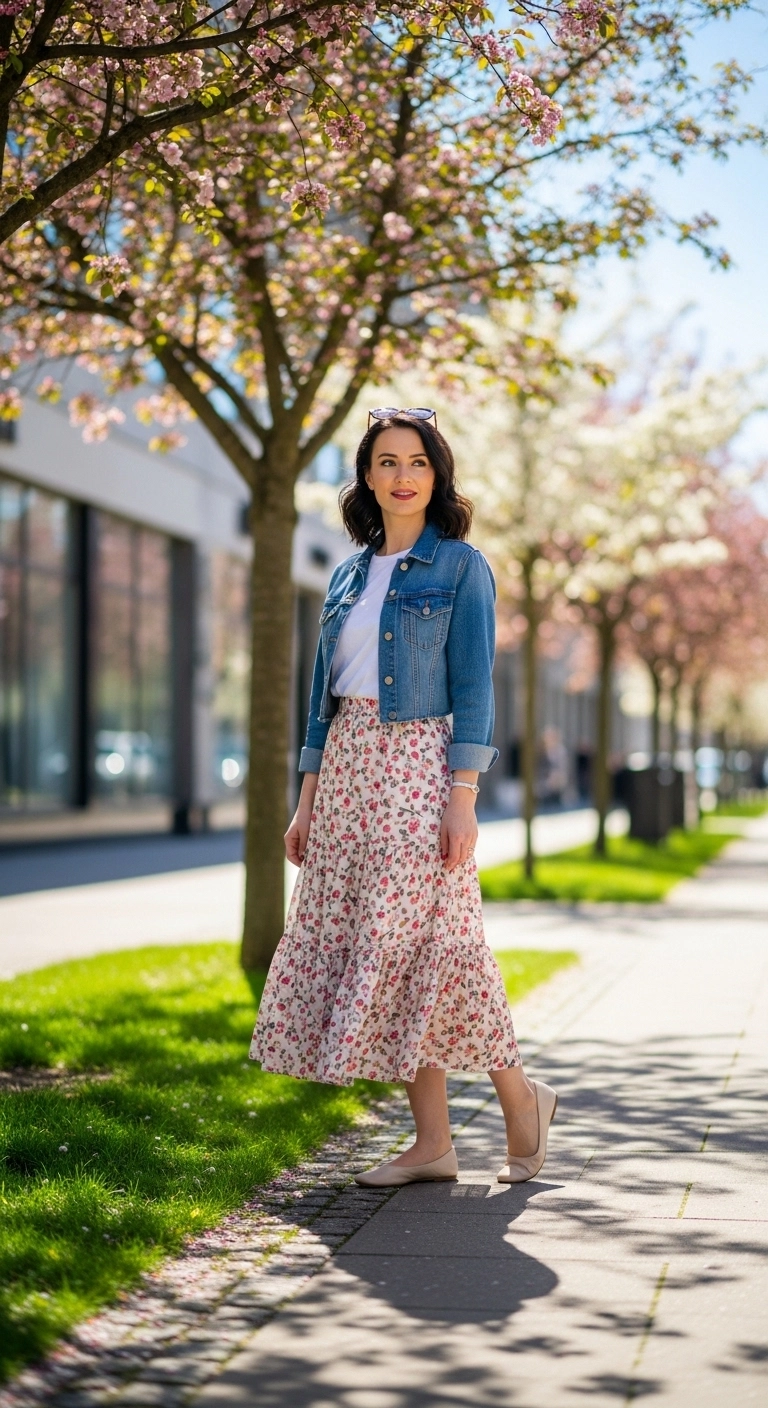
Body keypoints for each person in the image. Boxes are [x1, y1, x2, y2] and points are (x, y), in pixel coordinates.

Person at [250, 410, 557, 1186]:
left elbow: (473, 689)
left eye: (416, 462)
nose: (401, 476)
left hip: (419, 771)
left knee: (433, 946)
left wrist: (463, 795)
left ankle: (520, 1101)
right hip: (349, 771)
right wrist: (307, 797)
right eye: (385, 462)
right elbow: (324, 696)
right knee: (391, 957)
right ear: (366, 478)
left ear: (436, 475)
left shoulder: (460, 567)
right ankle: (434, 1146)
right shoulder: (348, 572)